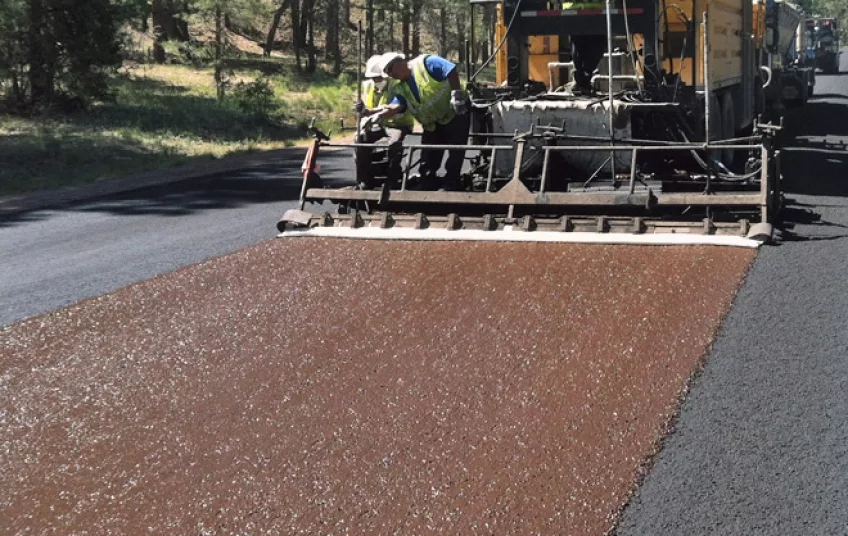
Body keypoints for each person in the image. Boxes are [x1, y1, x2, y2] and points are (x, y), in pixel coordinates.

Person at [369, 52, 471, 191]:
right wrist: (380, 115)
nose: (390, 76)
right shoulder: (400, 87)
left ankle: (451, 183)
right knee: (429, 156)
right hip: (432, 124)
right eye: (387, 73)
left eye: (390, 70)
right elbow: (396, 106)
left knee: (456, 151)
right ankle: (428, 183)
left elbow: (450, 69)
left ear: (399, 62)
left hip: (454, 113)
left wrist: (457, 94)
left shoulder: (426, 63)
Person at [354, 54, 415, 188]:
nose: (377, 80)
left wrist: (376, 114)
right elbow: (366, 109)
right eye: (374, 78)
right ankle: (365, 179)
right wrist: (363, 111)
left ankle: (392, 179)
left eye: (380, 77)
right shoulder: (367, 86)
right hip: (379, 124)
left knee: (394, 144)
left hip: (399, 124)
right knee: (360, 139)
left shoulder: (397, 84)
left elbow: (395, 108)